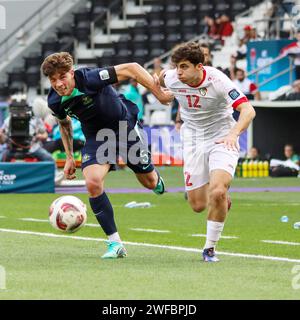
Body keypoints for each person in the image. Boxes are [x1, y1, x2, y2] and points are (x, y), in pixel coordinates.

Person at [41, 52, 173, 259]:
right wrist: (68, 157)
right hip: (97, 137)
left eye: (62, 77)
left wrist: (160, 94)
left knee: (149, 182)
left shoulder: (89, 78)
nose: (58, 83)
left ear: (72, 73)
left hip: (124, 127)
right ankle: (115, 243)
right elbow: (64, 122)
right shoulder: (55, 100)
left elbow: (133, 68)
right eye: (53, 79)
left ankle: (156, 179)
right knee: (92, 183)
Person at [159, 42, 255, 262]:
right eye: (177, 67)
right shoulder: (171, 76)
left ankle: (209, 249)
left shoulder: (218, 80)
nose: (179, 72)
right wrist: (160, 95)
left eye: (184, 67)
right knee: (198, 205)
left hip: (222, 135)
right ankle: (219, 196)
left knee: (218, 192)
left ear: (200, 66)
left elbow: (248, 110)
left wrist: (233, 134)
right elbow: (157, 79)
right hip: (192, 138)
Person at [0, 114, 64, 184]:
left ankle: (55, 175)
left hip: (33, 148)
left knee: (48, 157)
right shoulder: (8, 120)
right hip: (12, 149)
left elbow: (45, 135)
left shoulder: (35, 119)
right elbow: (2, 141)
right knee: (2, 156)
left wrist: (40, 136)